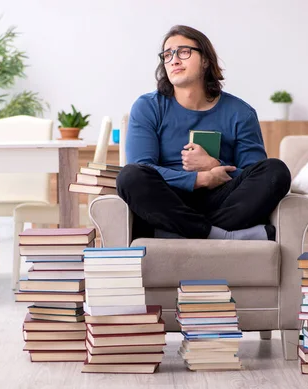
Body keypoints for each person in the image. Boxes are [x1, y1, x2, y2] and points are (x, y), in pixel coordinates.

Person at [116, 25, 291, 241]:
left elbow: (253, 172)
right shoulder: (148, 107)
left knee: (276, 170)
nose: (174, 60)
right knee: (130, 176)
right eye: (168, 55)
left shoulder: (240, 112)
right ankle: (217, 234)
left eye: (184, 52)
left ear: (206, 60)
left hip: (221, 200)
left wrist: (213, 167)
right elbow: (143, 166)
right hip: (169, 198)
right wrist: (199, 179)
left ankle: (176, 232)